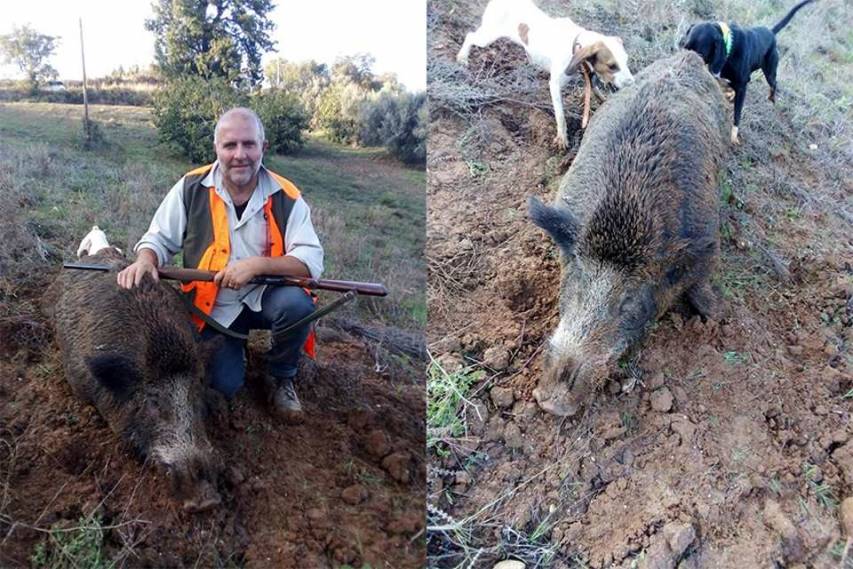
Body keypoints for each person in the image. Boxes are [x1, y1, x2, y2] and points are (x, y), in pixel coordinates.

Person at [117, 107, 324, 423]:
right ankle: (234, 351)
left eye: (249, 144)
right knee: (223, 385)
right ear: (217, 149)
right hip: (211, 309)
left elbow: (309, 263)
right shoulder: (190, 187)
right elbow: (157, 239)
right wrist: (146, 260)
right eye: (230, 146)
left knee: (297, 306)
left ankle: (281, 375)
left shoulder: (287, 195)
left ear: (263, 148)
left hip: (267, 300)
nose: (240, 154)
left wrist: (256, 265)